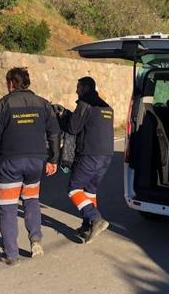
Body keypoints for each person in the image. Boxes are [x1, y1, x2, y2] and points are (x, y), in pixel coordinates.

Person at [0, 67, 61, 266]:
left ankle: (11, 254)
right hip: (36, 162)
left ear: (11, 83)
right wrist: (53, 160)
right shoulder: (43, 104)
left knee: (8, 207)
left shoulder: (3, 104)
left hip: (11, 162)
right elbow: (54, 133)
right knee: (31, 200)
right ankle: (35, 239)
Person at [57, 77, 114, 244]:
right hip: (106, 157)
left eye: (78, 87)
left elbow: (73, 128)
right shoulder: (107, 107)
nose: (76, 91)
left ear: (86, 88)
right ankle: (87, 226)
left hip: (90, 155)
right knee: (89, 191)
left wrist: (62, 116)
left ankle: (96, 219)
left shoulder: (85, 104)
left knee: (74, 189)